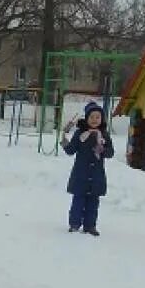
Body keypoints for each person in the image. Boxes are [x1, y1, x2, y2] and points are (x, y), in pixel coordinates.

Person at [61, 101, 114, 236]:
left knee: (93, 203)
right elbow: (71, 150)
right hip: (81, 175)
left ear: (101, 119)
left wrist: (103, 150)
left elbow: (110, 153)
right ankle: (74, 224)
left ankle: (90, 226)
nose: (95, 120)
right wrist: (65, 142)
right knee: (78, 201)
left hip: (96, 177)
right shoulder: (80, 134)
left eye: (97, 117)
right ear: (87, 118)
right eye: (92, 117)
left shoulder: (104, 135)